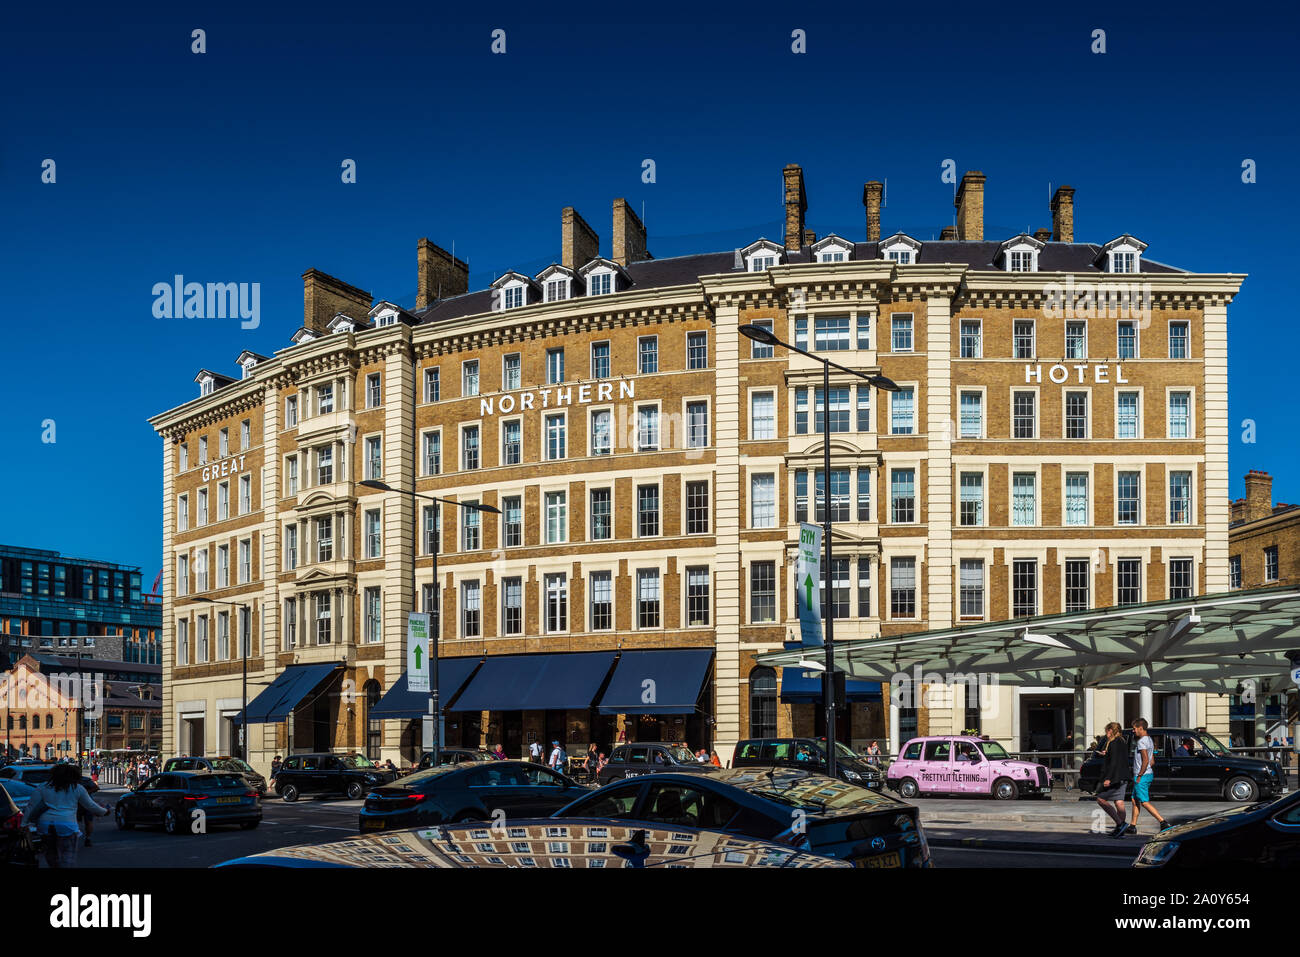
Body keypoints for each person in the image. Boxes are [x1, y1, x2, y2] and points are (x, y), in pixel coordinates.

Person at [22, 762, 109, 868]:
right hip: (67, 824)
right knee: (67, 856)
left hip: (45, 825)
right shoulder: (77, 788)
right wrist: (104, 812)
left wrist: (24, 824)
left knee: (51, 854)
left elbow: (31, 806)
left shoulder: (43, 787)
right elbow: (91, 806)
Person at [1128, 719, 1170, 834]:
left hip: (1141, 775)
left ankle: (1163, 822)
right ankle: (1132, 826)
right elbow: (1152, 761)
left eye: (1134, 729)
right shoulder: (1150, 740)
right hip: (1148, 773)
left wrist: (1140, 774)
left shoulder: (1142, 741)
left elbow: (1146, 759)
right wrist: (1146, 770)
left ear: (1141, 728)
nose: (1133, 731)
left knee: (1144, 801)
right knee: (1134, 799)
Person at [1094, 722, 1129, 838]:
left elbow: (1114, 762)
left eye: (1106, 731)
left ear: (1110, 730)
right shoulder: (1122, 741)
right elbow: (1118, 757)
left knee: (1100, 799)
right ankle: (1120, 830)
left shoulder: (1113, 743)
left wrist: (1108, 778)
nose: (1106, 734)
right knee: (1119, 801)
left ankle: (1120, 823)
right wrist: (1107, 754)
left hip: (1115, 777)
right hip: (1123, 776)